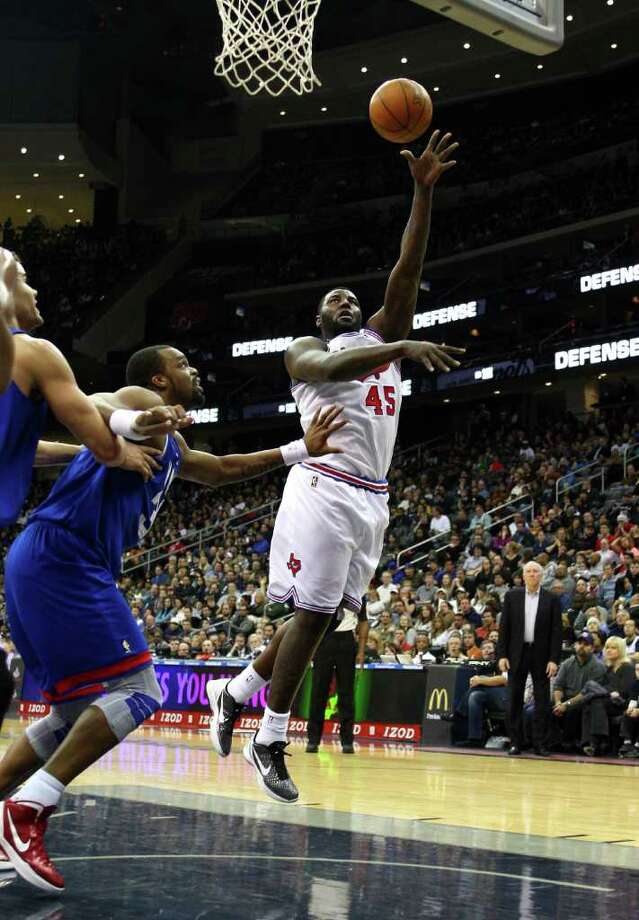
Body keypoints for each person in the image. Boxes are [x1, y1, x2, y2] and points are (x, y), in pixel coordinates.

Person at [0, 344, 343, 893]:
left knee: (72, 711)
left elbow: (223, 470)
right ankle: (27, 808)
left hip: (47, 559)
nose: (195, 369)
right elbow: (100, 400)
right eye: (185, 364)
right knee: (139, 690)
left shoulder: (174, 444)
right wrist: (133, 421)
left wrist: (302, 449)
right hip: (65, 557)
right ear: (160, 379)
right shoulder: (140, 403)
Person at [206, 129, 462, 803]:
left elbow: (405, 266)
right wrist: (399, 344)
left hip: (371, 498)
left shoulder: (380, 336)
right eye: (334, 302)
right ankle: (269, 739)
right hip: (322, 487)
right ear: (319, 318)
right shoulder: (304, 353)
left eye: (354, 298)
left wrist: (421, 191)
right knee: (313, 615)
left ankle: (231, 694)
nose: (346, 303)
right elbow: (333, 365)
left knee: (316, 623)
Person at [0, 253, 163, 739]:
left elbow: (24, 450)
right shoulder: (34, 351)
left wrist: (83, 453)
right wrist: (116, 454)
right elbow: (93, 421)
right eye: (26, 281)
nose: (35, 292)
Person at [497, 560, 562, 757]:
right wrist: (502, 655)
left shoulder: (551, 598)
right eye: (529, 571)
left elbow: (556, 632)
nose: (533, 574)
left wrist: (554, 659)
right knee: (514, 700)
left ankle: (539, 744)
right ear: (523, 575)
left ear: (541, 576)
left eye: (536, 571)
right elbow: (504, 629)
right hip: (517, 652)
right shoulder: (512, 596)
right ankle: (516, 742)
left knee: (542, 701)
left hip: (541, 655)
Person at [305, 604, 368, 754]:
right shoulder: (325, 590)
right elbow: (311, 621)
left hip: (346, 639)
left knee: (346, 692)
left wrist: (361, 650)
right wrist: (308, 649)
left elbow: (364, 622)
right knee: (318, 691)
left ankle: (347, 740)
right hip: (324, 639)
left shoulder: (357, 593)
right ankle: (313, 739)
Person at [572, 636, 636, 756]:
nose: (609, 650)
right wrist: (609, 692)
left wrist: (609, 692)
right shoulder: (609, 669)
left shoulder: (627, 667)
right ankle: (591, 743)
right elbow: (605, 687)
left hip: (622, 703)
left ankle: (596, 743)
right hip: (607, 701)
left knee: (592, 690)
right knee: (591, 702)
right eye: (607, 647)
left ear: (621, 650)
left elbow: (624, 691)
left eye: (613, 648)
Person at [552, 632, 607, 752]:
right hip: (566, 699)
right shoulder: (567, 663)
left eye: (586, 644)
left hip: (585, 700)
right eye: (579, 643)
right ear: (575, 645)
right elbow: (558, 686)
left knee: (574, 709)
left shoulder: (598, 666)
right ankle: (548, 741)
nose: (581, 646)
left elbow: (587, 693)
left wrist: (566, 705)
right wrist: (558, 702)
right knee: (544, 706)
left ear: (592, 648)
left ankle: (568, 743)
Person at [453, 640, 508, 748]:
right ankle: (475, 739)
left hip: (507, 695)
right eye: (484, 648)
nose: (487, 651)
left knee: (478, 685)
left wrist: (481, 680)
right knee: (475, 696)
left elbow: (505, 679)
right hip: (493, 696)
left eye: (490, 648)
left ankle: (458, 713)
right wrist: (480, 680)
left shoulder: (504, 659)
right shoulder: (481, 664)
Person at [618, 660, 639, 758]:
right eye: (637, 670)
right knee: (626, 714)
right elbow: (633, 699)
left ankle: (637, 747)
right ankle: (627, 743)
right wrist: (630, 709)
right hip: (636, 711)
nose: (638, 672)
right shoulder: (636, 684)